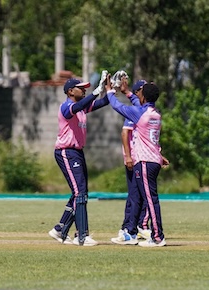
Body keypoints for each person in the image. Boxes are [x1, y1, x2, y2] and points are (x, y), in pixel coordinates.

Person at [106, 74, 169, 247]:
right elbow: (137, 102)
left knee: (150, 201)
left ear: (143, 96)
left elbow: (116, 106)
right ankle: (136, 232)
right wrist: (127, 92)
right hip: (154, 160)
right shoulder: (155, 113)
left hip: (145, 162)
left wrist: (110, 91)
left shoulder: (140, 113)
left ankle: (157, 237)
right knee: (148, 199)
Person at [49, 70, 109, 246]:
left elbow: (103, 102)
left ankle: (60, 229)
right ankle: (82, 236)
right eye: (80, 88)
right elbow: (76, 108)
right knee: (79, 193)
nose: (83, 90)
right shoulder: (66, 106)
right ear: (70, 91)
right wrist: (95, 92)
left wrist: (111, 90)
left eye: (85, 88)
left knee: (80, 193)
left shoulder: (82, 107)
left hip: (77, 152)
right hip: (66, 152)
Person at [113, 74, 152, 241]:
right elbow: (124, 133)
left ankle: (134, 226)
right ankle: (129, 229)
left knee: (142, 195)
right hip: (134, 158)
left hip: (143, 156)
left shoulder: (144, 109)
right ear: (139, 93)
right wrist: (128, 156)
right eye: (144, 89)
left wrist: (126, 91)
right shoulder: (136, 112)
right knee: (135, 195)